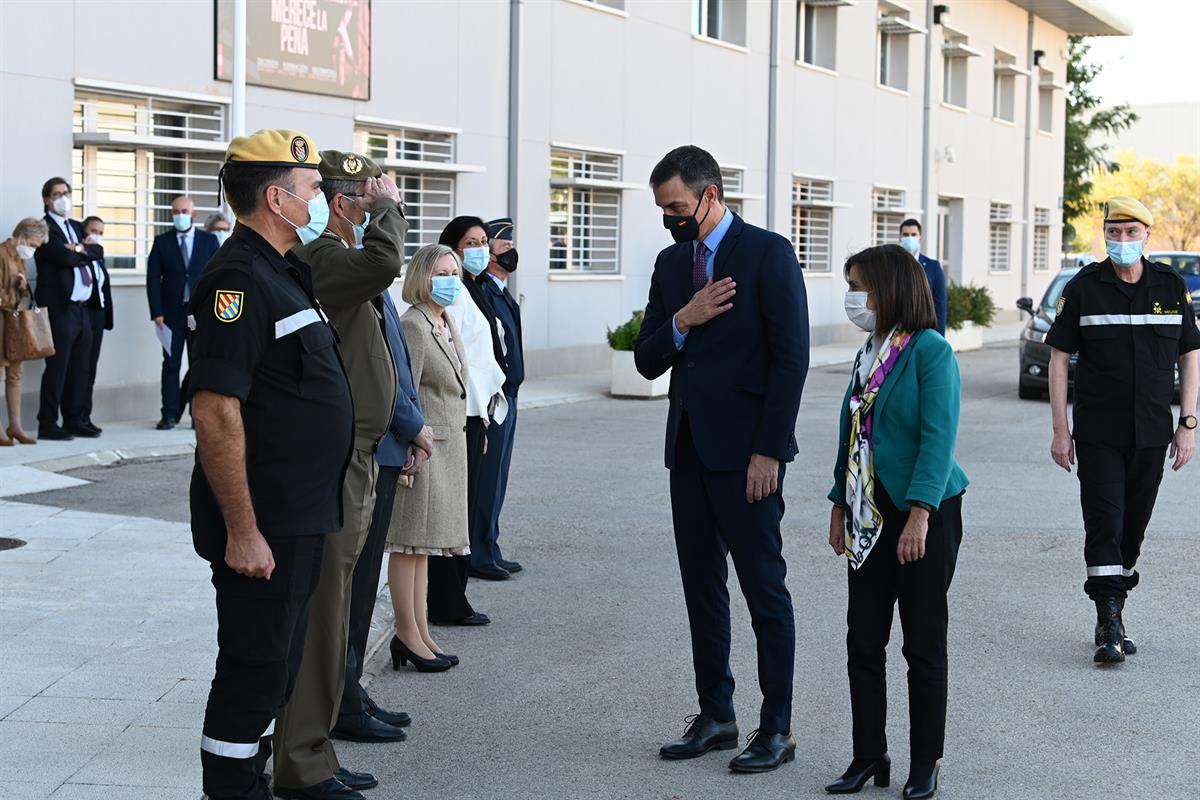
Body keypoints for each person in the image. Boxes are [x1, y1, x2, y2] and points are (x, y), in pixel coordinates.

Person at [187, 129, 353, 800]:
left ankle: (248, 783)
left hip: (298, 514)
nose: (322, 197)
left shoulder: (285, 272)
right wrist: (243, 530)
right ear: (276, 197)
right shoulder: (238, 279)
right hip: (265, 522)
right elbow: (215, 410)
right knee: (253, 671)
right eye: (312, 188)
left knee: (276, 668)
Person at [635, 145, 809, 774]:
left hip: (747, 457)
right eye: (662, 208)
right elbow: (648, 357)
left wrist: (770, 450)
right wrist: (684, 318)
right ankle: (717, 715)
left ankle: (778, 728)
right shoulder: (670, 262)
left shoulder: (767, 253)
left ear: (710, 196)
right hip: (688, 451)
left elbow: (791, 359)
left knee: (764, 589)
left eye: (676, 206)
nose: (669, 218)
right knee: (701, 588)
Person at [271, 151, 409, 799]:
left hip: (358, 450)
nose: (362, 200)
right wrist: (388, 209)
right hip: (337, 452)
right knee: (324, 610)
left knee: (335, 604)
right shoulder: (322, 255)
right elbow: (385, 264)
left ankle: (316, 749)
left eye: (365, 192)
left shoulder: (337, 251)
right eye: (352, 192)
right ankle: (303, 759)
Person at [825, 244, 969, 800]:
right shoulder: (869, 351)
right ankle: (868, 755)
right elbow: (852, 433)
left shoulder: (930, 351)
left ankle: (924, 763)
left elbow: (939, 439)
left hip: (924, 511)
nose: (853, 298)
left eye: (859, 286)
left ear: (889, 290)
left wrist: (920, 516)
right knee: (863, 639)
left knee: (922, 643)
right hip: (868, 512)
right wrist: (839, 503)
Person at [1045, 195, 1198, 665]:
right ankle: (1107, 619)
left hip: (1152, 432)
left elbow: (1190, 356)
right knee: (1104, 522)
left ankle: (1117, 606)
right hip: (1098, 433)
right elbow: (1058, 359)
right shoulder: (1085, 288)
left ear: (1148, 236)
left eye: (1132, 233)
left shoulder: (1171, 287)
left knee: (1133, 529)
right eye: (1115, 232)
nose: (1123, 241)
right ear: (1105, 234)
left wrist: (1187, 424)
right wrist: (1061, 430)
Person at [336, 287, 430, 741]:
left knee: (364, 583)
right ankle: (342, 699)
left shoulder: (375, 282)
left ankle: (350, 690)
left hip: (390, 445)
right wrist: (413, 425)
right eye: (389, 211)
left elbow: (398, 366)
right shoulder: (351, 274)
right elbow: (376, 374)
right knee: (351, 587)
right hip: (372, 445)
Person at [385, 244, 470, 673]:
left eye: (454, 272)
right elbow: (405, 390)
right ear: (422, 275)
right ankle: (406, 634)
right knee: (407, 543)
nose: (451, 279)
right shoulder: (414, 324)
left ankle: (420, 631)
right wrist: (407, 448)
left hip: (448, 449)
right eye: (441, 272)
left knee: (424, 547)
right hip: (424, 450)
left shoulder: (443, 319)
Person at [428, 216, 504, 620]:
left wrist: (484, 419)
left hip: (474, 414)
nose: (478, 249)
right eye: (469, 242)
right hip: (458, 413)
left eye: (482, 242)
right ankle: (445, 600)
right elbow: (460, 362)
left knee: (464, 509)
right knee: (451, 512)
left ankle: (453, 596)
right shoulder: (446, 300)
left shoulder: (470, 290)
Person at [472, 216, 525, 578]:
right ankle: (478, 554)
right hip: (495, 396)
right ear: (491, 254)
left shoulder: (501, 291)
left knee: (500, 476)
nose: (511, 253)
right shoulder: (484, 292)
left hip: (510, 394)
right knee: (487, 477)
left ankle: (491, 544)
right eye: (504, 248)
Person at [34, 176, 101, 440]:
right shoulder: (43, 228)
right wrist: (80, 251)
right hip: (60, 309)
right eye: (57, 193)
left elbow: (98, 252)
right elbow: (63, 258)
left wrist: (78, 247)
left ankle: (74, 419)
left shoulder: (75, 226)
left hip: (83, 309)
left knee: (80, 368)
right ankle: (48, 422)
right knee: (57, 368)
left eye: (66, 192)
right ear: (47, 199)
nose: (63, 197)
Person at [147, 196, 220, 430]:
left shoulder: (208, 241)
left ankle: (195, 414)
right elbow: (152, 280)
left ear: (193, 214)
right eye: (176, 211)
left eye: (184, 211)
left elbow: (218, 275)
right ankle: (168, 414)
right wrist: (156, 311)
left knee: (198, 365)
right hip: (170, 315)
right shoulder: (162, 242)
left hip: (199, 314)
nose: (180, 215)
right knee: (170, 364)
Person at [0, 217, 47, 446]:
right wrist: (11, 292)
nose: (33, 250)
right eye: (34, 245)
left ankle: (15, 424)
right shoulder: (1, 254)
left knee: (15, 374)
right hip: (2, 319)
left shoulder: (21, 257)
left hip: (15, 319)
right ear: (22, 236)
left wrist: (21, 287)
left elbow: (19, 291)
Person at [78, 216, 112, 434]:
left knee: (91, 369)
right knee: (80, 369)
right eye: (93, 230)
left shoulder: (98, 257)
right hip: (83, 314)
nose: (96, 235)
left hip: (97, 314)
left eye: (100, 232)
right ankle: (76, 417)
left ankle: (85, 415)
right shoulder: (80, 255)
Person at [898, 219, 947, 336]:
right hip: (897, 333)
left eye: (913, 235)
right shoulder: (891, 266)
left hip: (924, 331)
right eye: (906, 235)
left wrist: (939, 338)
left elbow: (940, 305)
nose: (909, 238)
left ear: (920, 237)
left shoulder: (933, 266)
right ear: (900, 237)